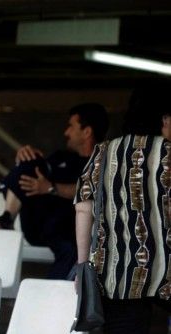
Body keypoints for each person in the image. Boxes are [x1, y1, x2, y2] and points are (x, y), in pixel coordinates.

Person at [74, 85, 171, 333]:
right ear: (164, 118)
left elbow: (84, 209)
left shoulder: (103, 152)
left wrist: (82, 264)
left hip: (117, 279)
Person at [0, 103, 109, 279]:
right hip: (39, 224)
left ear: (87, 132)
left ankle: (51, 296)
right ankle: (6, 218)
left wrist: (51, 188)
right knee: (30, 161)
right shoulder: (61, 157)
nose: (66, 132)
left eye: (71, 127)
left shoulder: (103, 162)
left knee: (71, 248)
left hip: (70, 230)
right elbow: (32, 174)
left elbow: (94, 190)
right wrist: (26, 156)